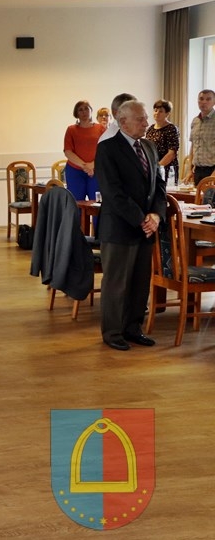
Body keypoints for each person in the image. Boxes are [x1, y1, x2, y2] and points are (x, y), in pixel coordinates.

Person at [94, 99, 166, 351]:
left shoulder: (148, 146)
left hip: (146, 228)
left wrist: (156, 215)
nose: (147, 123)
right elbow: (113, 192)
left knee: (139, 282)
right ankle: (113, 332)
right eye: (141, 119)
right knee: (116, 283)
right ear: (123, 122)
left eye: (146, 118)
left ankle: (133, 328)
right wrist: (141, 219)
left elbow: (159, 185)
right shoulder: (107, 149)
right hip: (119, 227)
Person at [63, 100, 105, 201]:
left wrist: (92, 165)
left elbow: (106, 150)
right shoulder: (71, 130)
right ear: (76, 113)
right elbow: (68, 151)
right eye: (80, 110)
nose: (84, 112)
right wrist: (85, 166)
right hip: (75, 171)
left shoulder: (101, 128)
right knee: (76, 202)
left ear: (91, 110)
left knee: (96, 202)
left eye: (86, 108)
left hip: (96, 170)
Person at [146, 99, 179, 185]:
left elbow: (171, 153)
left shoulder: (171, 128)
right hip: (153, 167)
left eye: (160, 111)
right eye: (155, 110)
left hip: (167, 169)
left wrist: (158, 167)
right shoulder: (150, 129)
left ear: (167, 114)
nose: (157, 113)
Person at [189, 89, 215, 183]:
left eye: (208, 99)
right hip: (198, 171)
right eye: (201, 99)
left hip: (212, 171)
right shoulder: (195, 121)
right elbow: (193, 146)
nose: (204, 102)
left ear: (214, 102)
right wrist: (190, 170)